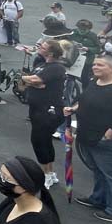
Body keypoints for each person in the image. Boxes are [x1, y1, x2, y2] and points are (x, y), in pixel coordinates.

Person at [66, 55, 112, 223]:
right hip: (88, 136)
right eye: (95, 64)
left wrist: (109, 135)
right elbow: (83, 101)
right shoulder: (94, 82)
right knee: (98, 171)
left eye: (100, 65)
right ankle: (98, 199)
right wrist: (73, 108)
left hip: (107, 141)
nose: (95, 67)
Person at [20, 39, 67, 187]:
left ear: (51, 53)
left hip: (49, 110)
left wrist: (28, 80)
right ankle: (50, 173)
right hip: (36, 108)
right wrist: (33, 82)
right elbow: (35, 82)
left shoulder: (56, 68)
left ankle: (46, 174)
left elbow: (36, 79)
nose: (40, 47)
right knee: (45, 141)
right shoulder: (41, 64)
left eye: (44, 47)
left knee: (39, 140)